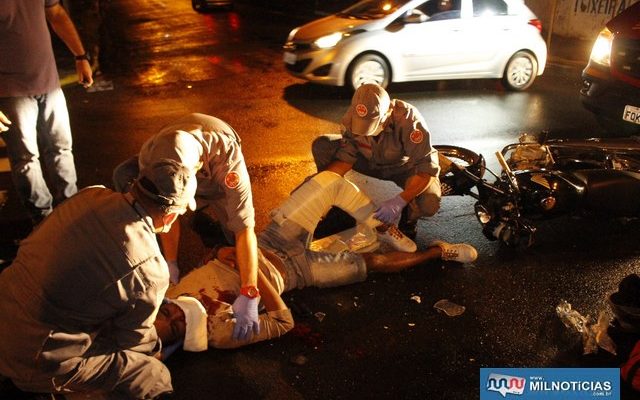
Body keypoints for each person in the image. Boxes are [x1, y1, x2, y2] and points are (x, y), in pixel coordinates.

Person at [153, 171, 477, 353]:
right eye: (177, 324)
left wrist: (220, 254)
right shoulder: (219, 334)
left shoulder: (169, 291)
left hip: (269, 242)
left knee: (328, 182)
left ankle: (382, 225)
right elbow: (283, 322)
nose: (176, 312)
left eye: (167, 312)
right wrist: (252, 279)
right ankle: (437, 252)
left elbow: (206, 265)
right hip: (298, 273)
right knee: (372, 263)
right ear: (184, 337)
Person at [0, 159, 197, 399]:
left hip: (5, 303)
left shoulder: (91, 194)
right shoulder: (152, 270)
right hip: (30, 357)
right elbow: (131, 341)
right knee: (151, 374)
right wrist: (156, 343)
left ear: (135, 185)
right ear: (170, 218)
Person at [113, 112, 260, 342]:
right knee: (150, 202)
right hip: (179, 165)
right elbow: (165, 212)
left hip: (215, 173)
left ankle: (215, 236)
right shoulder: (150, 162)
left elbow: (245, 229)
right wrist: (170, 263)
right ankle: (196, 222)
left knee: (234, 236)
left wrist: (250, 290)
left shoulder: (228, 165)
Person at [0, 0, 94, 224]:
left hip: (49, 84)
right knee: (26, 159)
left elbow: (56, 13)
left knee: (62, 149)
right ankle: (44, 223)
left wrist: (80, 57)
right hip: (11, 90)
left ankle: (72, 212)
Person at [312, 83, 441, 239]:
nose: (366, 132)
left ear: (387, 113)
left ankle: (409, 219)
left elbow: (425, 167)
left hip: (403, 168)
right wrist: (320, 182)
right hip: (369, 162)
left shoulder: (409, 120)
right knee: (322, 145)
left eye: (371, 125)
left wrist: (400, 201)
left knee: (429, 202)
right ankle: (338, 210)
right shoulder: (351, 118)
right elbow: (345, 159)